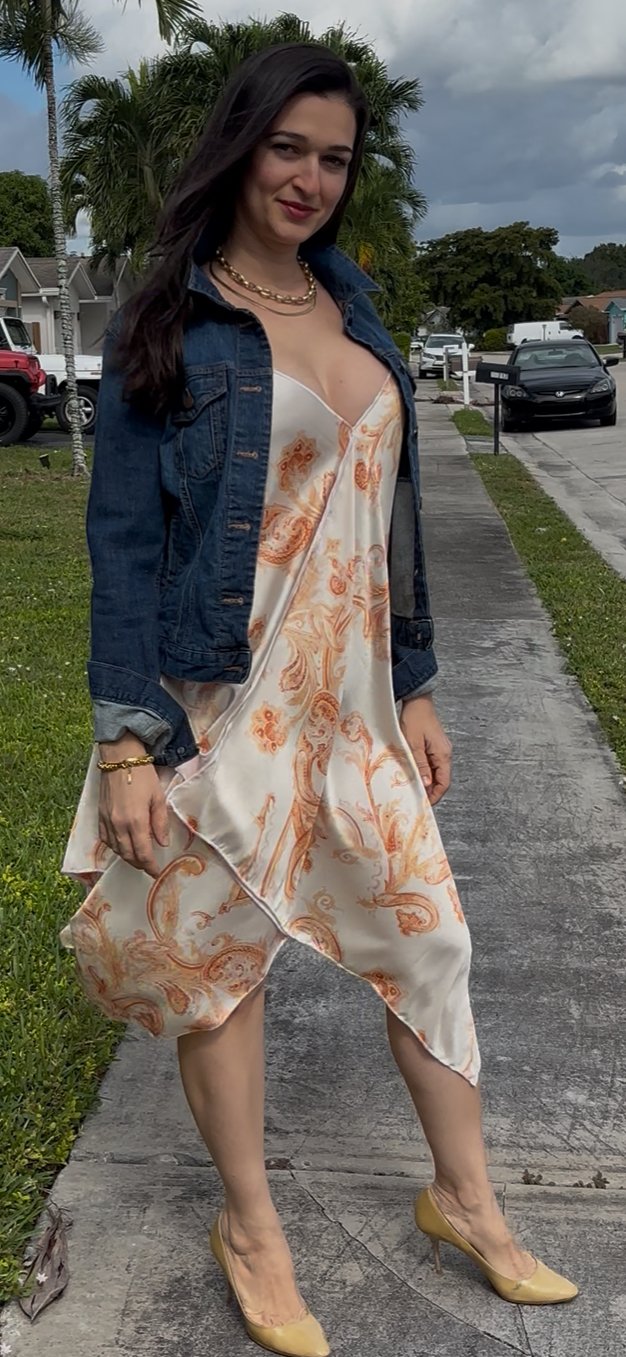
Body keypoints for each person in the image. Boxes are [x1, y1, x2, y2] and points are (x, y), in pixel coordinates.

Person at [61, 42, 577, 1357]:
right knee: (220, 974)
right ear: (240, 148)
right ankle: (251, 1225)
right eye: (286, 147)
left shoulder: (356, 309)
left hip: (351, 711)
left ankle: (466, 1201)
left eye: (333, 158)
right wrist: (125, 741)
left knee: (430, 943)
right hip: (218, 706)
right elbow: (122, 539)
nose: (308, 177)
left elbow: (385, 521)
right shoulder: (169, 321)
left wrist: (414, 683)